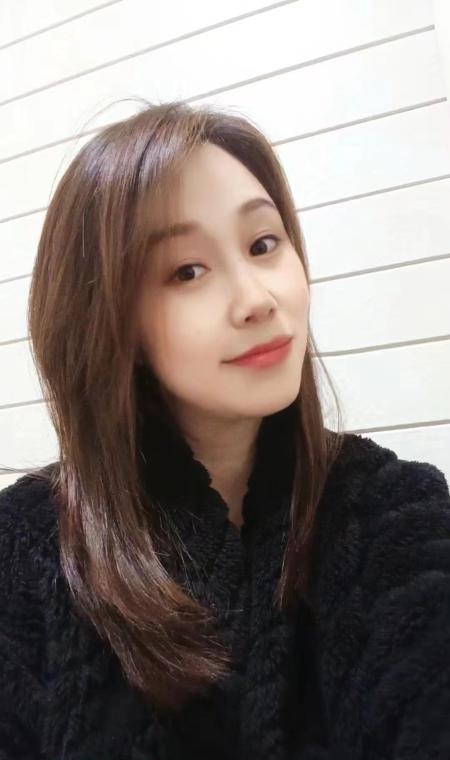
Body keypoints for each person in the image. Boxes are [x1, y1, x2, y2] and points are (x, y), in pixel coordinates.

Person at [0, 100, 449, 760]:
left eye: (264, 244)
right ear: (110, 322)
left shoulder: (392, 509)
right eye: (187, 271)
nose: (256, 300)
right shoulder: (24, 548)